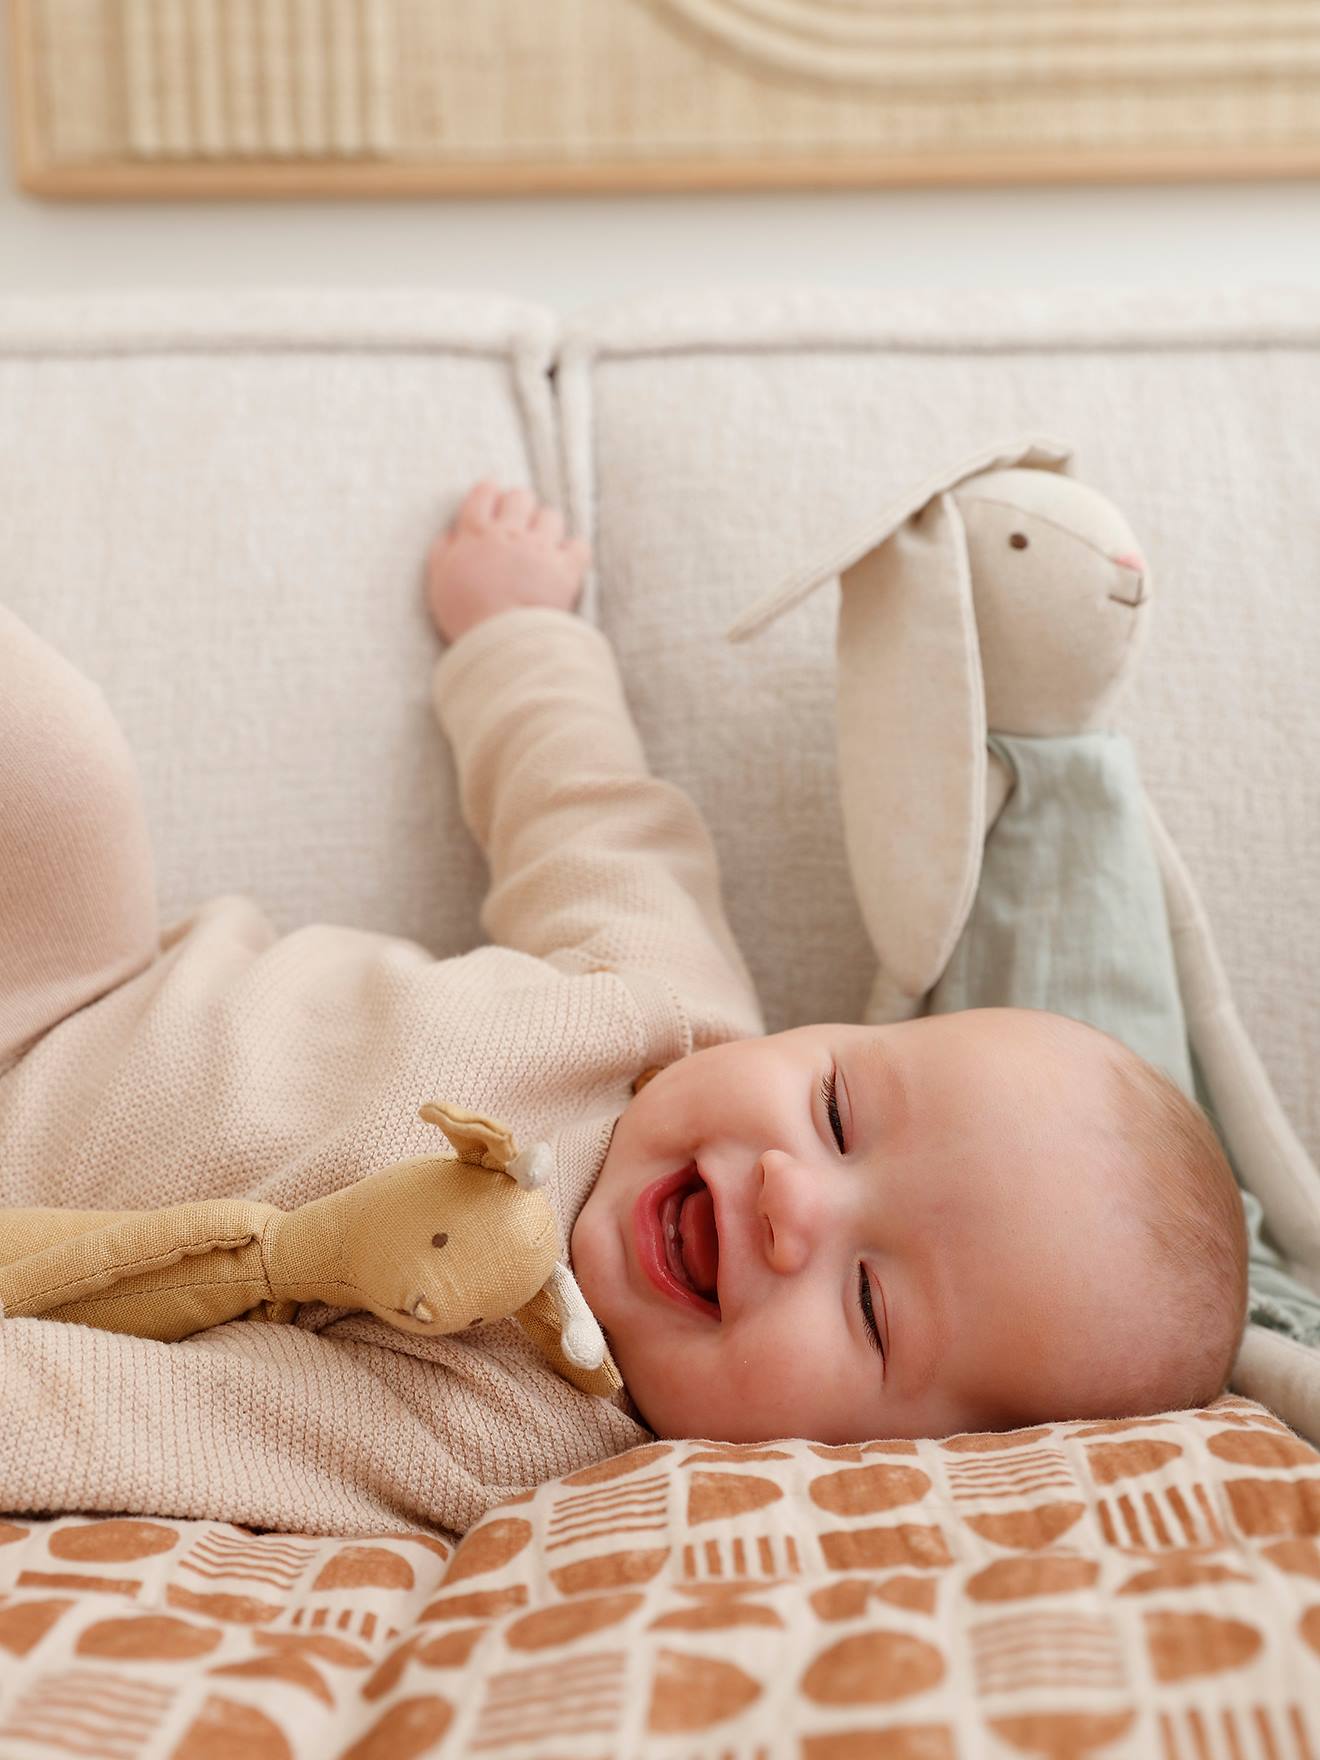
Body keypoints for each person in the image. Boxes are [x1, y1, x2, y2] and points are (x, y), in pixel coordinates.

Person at [0, 482, 1247, 1541]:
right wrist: (516, 628)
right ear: (813, 1036)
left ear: (875, 1458)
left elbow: (149, 1418)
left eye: (872, 1302)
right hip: (76, 977)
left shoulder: (503, 1432)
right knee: (55, 750)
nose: (790, 1197)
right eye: (836, 1107)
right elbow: (581, 799)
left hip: (28, 1217)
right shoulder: (665, 1004)